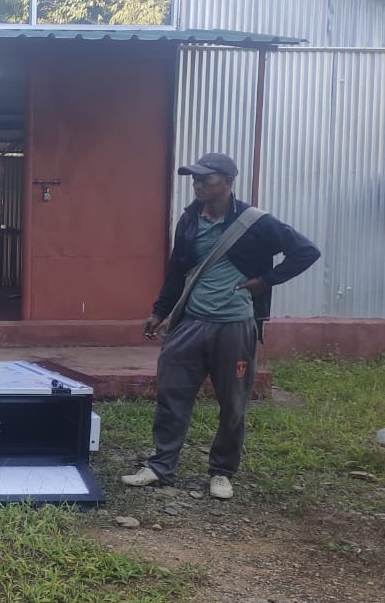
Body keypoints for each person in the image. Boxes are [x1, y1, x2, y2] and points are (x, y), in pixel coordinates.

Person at [122, 152, 319, 500]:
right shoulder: (189, 220)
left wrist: (265, 281)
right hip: (190, 324)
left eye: (205, 178)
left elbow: (305, 251)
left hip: (235, 327)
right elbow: (176, 270)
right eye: (194, 178)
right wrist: (160, 311)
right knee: (172, 395)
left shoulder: (256, 222)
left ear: (227, 182)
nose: (197, 184)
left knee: (233, 403)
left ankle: (222, 471)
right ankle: (160, 466)